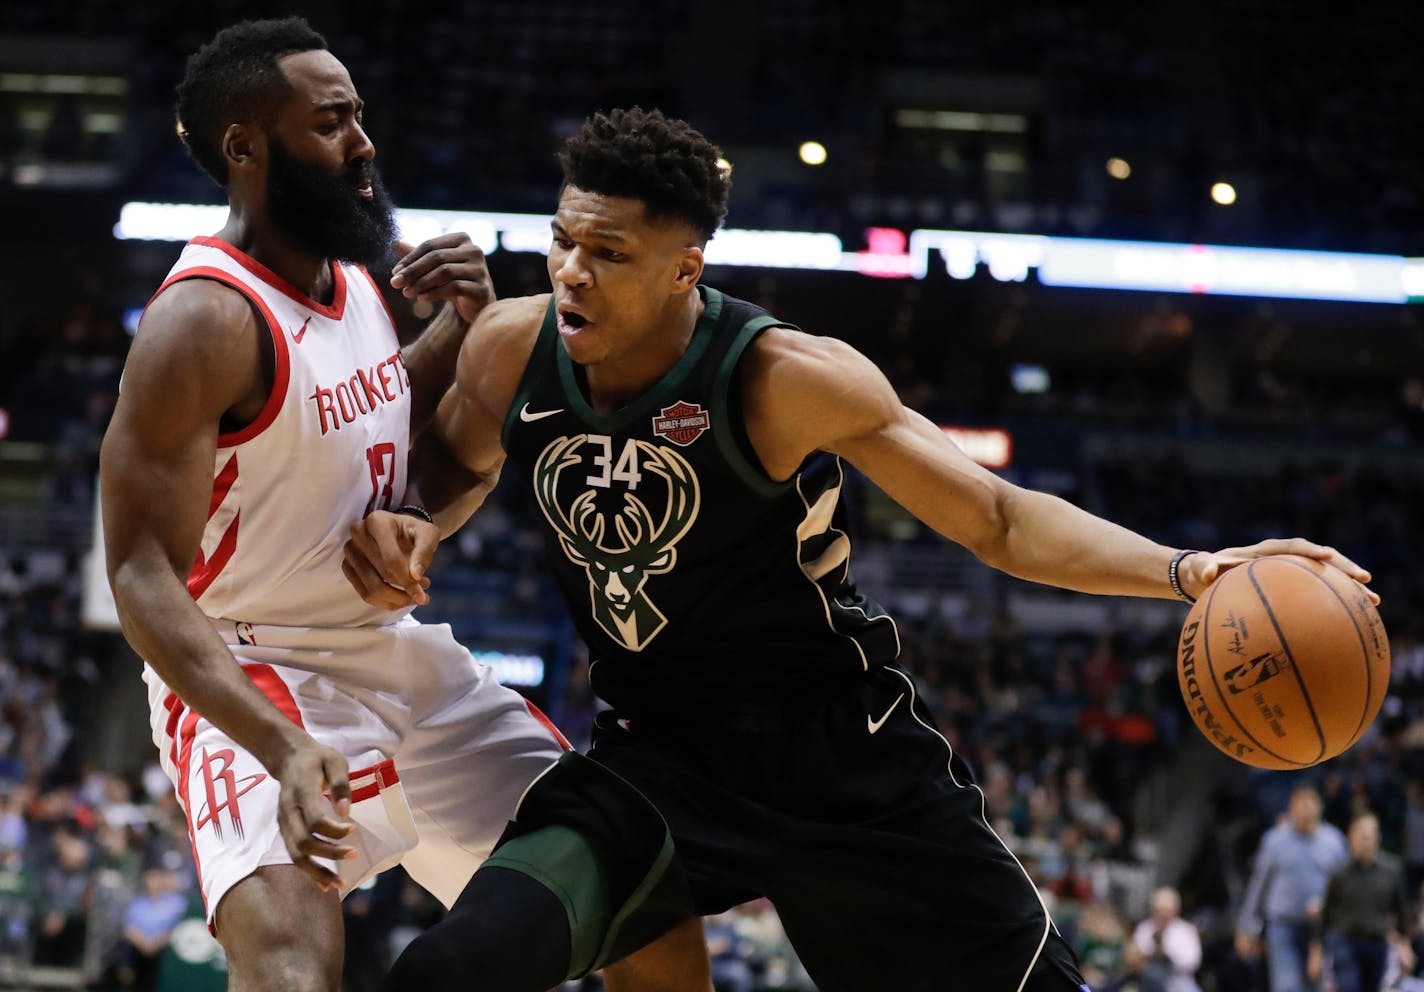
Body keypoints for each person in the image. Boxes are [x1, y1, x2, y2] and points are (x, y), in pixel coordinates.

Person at [344, 107, 1378, 992]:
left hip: (846, 760)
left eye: (608, 254)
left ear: (682, 270)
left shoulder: (783, 376)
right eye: (566, 239)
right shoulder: (509, 345)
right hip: (662, 759)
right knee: (443, 970)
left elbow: (999, 518)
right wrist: (419, 522)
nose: (572, 270)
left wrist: (1185, 569)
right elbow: (451, 467)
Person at [100, 22, 710, 992]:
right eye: (332, 122)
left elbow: (368, 426)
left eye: (360, 117)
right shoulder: (202, 320)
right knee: (292, 969)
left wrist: (459, 333)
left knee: (640, 901)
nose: (363, 143)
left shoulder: (347, 281)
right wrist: (280, 745)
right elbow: (138, 575)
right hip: (255, 666)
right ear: (245, 147)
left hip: (390, 647)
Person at [1236, 784, 1350, 992]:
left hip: (1322, 927)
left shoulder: (1334, 841)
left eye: (1310, 803)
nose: (1306, 809)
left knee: (1317, 986)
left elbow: (1345, 889)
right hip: (1282, 925)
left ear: (1320, 807)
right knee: (1287, 986)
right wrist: (1246, 926)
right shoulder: (1274, 840)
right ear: (1291, 807)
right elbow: (1258, 885)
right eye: (1300, 803)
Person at [1308, 812, 1412, 992]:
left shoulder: (1391, 871)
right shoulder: (1339, 873)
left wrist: (1405, 946)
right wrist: (1316, 951)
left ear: (1377, 838)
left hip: (1377, 943)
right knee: (1350, 986)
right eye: (1361, 836)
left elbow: (1401, 912)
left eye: (1369, 836)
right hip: (1346, 942)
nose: (1365, 841)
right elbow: (1325, 915)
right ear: (1351, 837)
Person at [1130, 887, 1202, 992]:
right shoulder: (1144, 929)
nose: (1162, 914)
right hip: (1146, 982)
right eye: (1159, 910)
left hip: (1179, 981)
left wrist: (1165, 953)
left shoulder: (1186, 930)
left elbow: (1193, 962)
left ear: (1176, 910)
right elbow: (1134, 958)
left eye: (1166, 910)